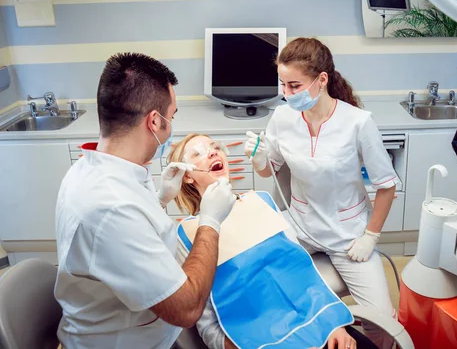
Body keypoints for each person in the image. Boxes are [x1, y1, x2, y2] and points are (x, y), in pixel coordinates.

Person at [54, 53, 237, 348]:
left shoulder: (91, 168)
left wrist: (158, 200)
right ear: (154, 121)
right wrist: (210, 220)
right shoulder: (110, 207)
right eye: (172, 116)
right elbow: (187, 309)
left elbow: (125, 228)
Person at [245, 38, 398, 348]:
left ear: (322, 80)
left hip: (348, 234)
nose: (286, 94)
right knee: (257, 283)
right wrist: (259, 159)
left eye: (294, 85)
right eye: (283, 85)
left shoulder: (357, 123)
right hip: (300, 225)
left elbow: (386, 186)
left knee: (382, 325)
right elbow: (269, 170)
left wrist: (370, 236)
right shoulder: (283, 117)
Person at [168, 133, 380, 349]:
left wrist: (334, 326)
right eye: (199, 153)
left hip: (321, 327)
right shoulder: (188, 235)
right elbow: (209, 327)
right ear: (187, 176)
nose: (212, 151)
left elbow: (306, 276)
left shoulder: (263, 202)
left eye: (215, 147)